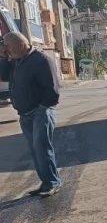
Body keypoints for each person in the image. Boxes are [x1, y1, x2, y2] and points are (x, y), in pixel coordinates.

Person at [1, 32, 62, 197]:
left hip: (40, 112)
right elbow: (3, 76)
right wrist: (3, 57)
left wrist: (42, 109)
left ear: (21, 45)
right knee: (35, 151)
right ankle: (46, 183)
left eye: (8, 47)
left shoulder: (41, 59)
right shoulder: (16, 61)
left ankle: (52, 183)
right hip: (25, 114)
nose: (6, 50)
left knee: (42, 149)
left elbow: (53, 90)